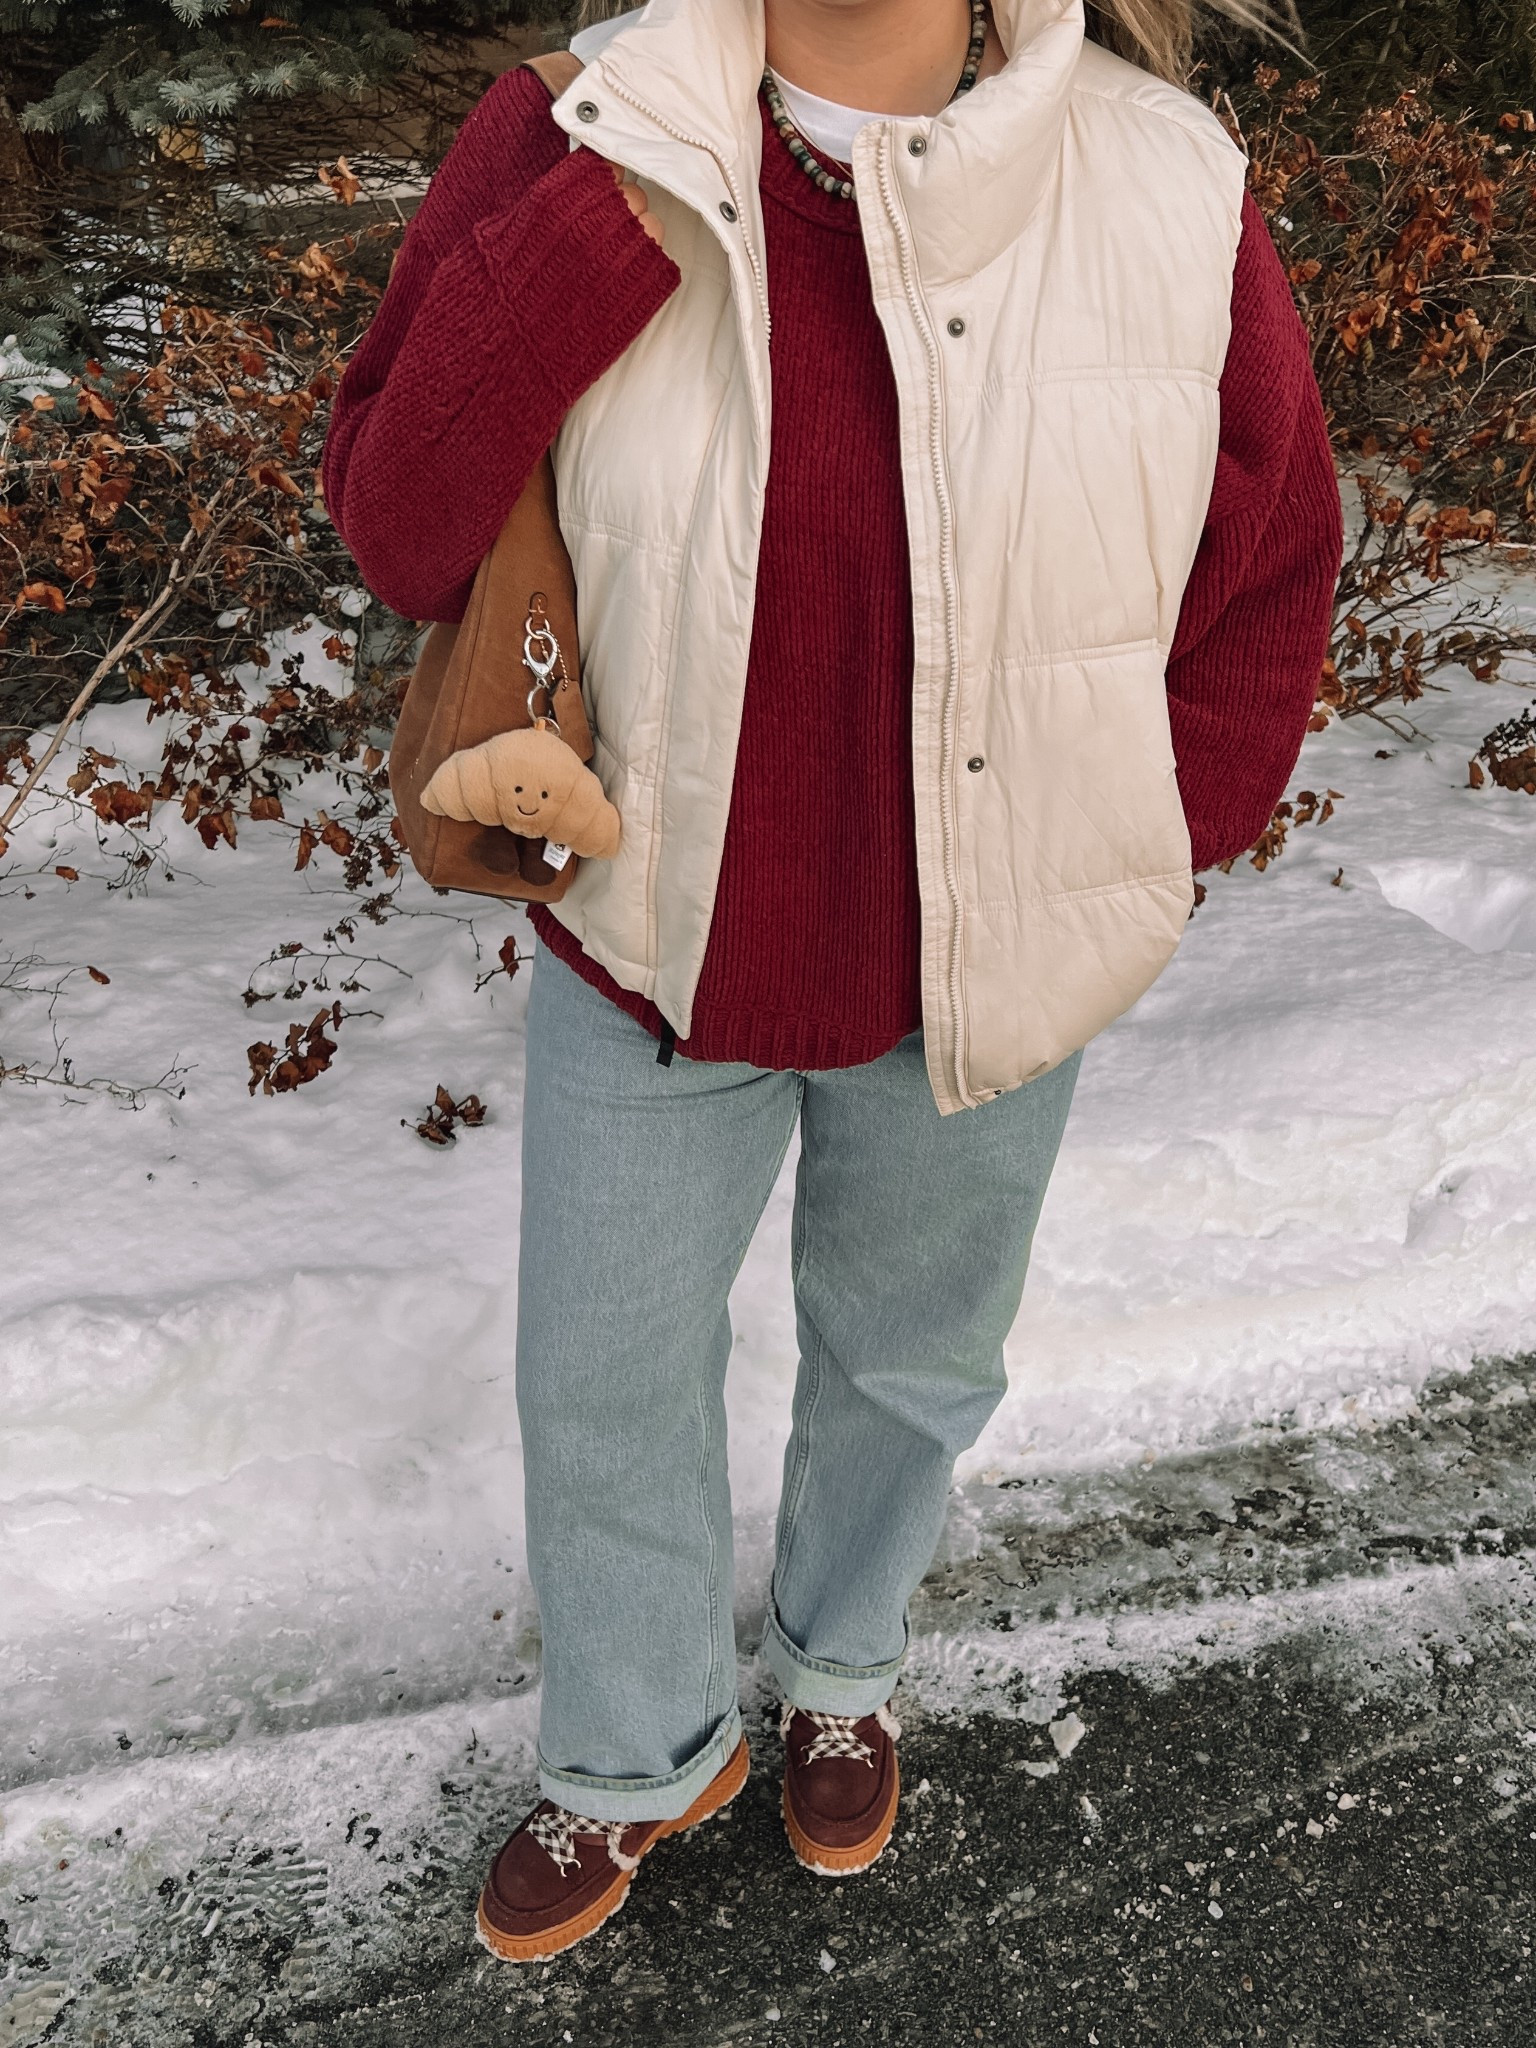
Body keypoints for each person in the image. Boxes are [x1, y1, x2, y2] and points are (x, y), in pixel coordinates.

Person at [323, 0, 1341, 1963]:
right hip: (658, 937)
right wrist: (603, 214)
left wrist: (1140, 825)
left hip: (988, 943)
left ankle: (842, 1662)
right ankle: (634, 1752)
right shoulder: (573, 132)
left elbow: (1270, 554)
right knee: (596, 1377)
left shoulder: (1160, 179)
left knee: (914, 1358)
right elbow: (399, 515)